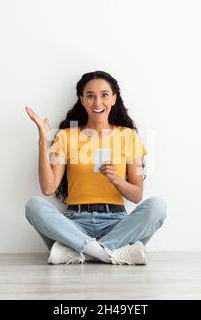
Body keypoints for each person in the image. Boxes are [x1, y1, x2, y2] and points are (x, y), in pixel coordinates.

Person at [24, 71, 167, 265]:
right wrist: (43, 140)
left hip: (116, 223)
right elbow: (48, 188)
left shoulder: (128, 136)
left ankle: (81, 253)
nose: (97, 102)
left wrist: (117, 179)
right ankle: (111, 253)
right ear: (82, 100)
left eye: (104, 95)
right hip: (75, 224)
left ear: (114, 99)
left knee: (158, 206)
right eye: (90, 96)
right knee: (33, 206)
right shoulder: (66, 136)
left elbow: (136, 195)